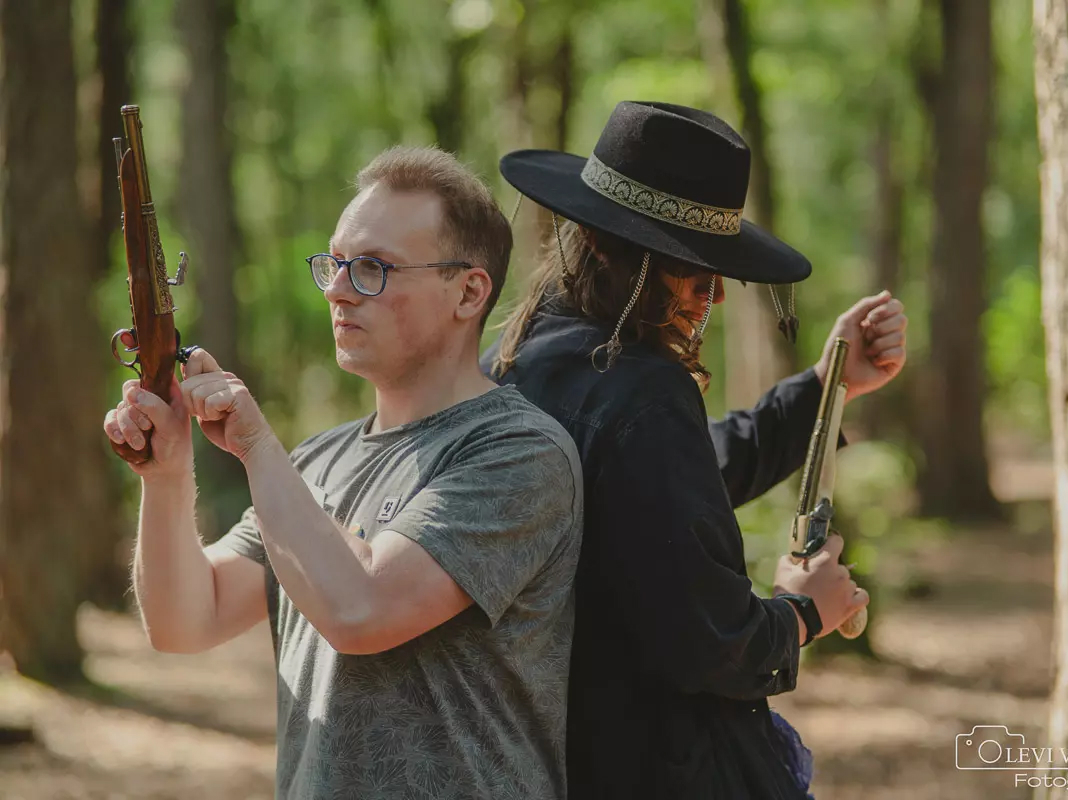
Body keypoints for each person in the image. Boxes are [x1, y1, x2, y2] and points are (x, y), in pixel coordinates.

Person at [104, 146, 584, 800]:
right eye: (334, 263)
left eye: (373, 269)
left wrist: (254, 444)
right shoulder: (314, 462)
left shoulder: (521, 452)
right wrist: (165, 477)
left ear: (468, 292)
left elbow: (362, 609)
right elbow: (187, 620)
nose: (336, 288)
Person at [483, 101, 908, 799]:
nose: (711, 293)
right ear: (603, 242)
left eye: (717, 271)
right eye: (688, 268)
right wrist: (803, 611)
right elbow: (710, 643)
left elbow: (684, 476)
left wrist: (828, 388)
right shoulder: (644, 390)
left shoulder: (516, 354)